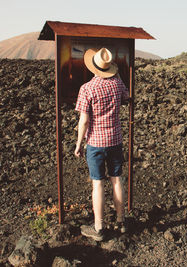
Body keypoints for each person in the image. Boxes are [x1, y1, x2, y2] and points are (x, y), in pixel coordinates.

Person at [74, 47, 129, 241]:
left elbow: (84, 121)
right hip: (115, 140)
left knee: (97, 184)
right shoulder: (117, 83)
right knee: (117, 180)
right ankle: (121, 221)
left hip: (96, 143)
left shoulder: (87, 88)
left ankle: (99, 227)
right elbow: (126, 98)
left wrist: (78, 144)